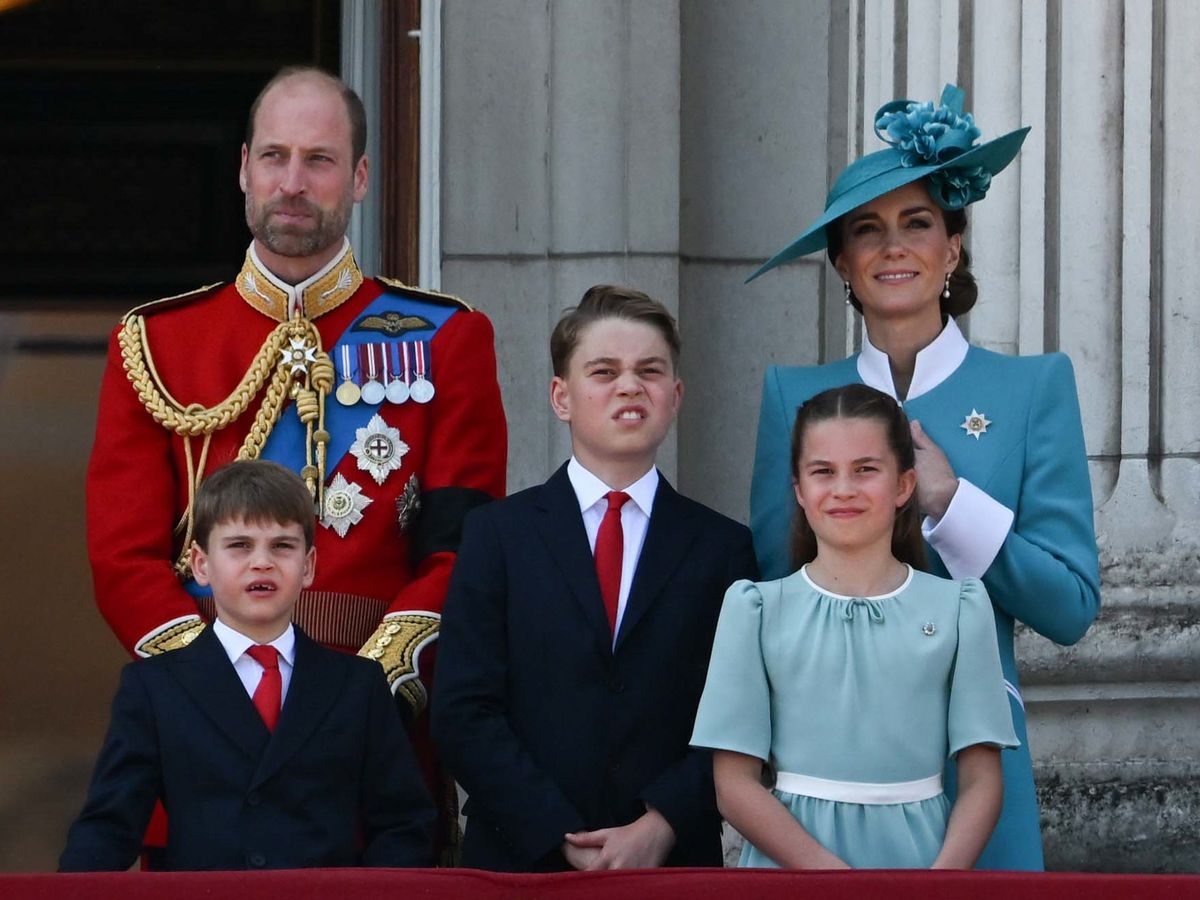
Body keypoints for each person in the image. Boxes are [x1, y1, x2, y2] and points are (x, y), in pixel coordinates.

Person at [85, 66, 506, 856]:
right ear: (244, 168)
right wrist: (212, 693)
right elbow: (122, 559)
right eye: (275, 156)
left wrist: (362, 699)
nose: (293, 183)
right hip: (200, 756)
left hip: (380, 747)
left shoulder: (445, 338)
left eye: (319, 160)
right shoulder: (156, 344)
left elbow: (464, 553)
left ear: (361, 177)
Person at [745, 85, 1100, 869]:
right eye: (867, 230)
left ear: (953, 247)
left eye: (917, 223)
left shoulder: (1032, 388)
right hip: (829, 767)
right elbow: (776, 595)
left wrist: (950, 502)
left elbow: (1070, 607)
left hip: (974, 764)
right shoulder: (792, 396)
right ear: (842, 261)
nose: (893, 247)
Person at [431, 285, 759, 871]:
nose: (629, 386)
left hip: (670, 864)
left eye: (649, 371)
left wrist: (661, 824)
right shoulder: (497, 535)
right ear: (562, 397)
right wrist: (555, 831)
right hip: (521, 861)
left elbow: (737, 719)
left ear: (675, 395)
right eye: (604, 371)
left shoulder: (723, 548)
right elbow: (462, 711)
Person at [692, 384, 1018, 869]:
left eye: (865, 469)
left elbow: (981, 780)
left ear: (904, 486)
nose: (843, 489)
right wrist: (831, 878)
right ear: (800, 490)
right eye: (823, 472)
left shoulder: (958, 608)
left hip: (921, 868)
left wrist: (940, 883)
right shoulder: (756, 610)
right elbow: (734, 784)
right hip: (792, 872)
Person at [60, 460, 436, 871]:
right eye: (239, 545)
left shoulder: (358, 685)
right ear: (201, 564)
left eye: (282, 546)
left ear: (308, 566)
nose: (262, 562)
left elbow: (404, 823)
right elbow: (109, 827)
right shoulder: (154, 687)